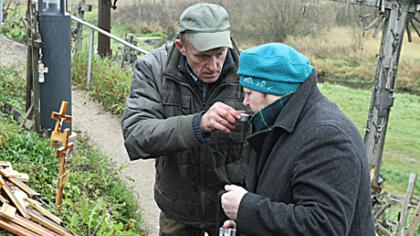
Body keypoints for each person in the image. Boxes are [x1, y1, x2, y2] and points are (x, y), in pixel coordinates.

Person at [121, 3, 250, 236]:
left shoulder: (250, 72)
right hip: (177, 209)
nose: (213, 66)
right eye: (202, 56)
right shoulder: (153, 68)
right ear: (181, 46)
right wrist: (197, 125)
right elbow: (136, 134)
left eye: (220, 53)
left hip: (233, 211)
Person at [220, 43, 375, 236]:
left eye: (249, 93)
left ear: (271, 91)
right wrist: (247, 224)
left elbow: (325, 227)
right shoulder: (286, 124)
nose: (245, 102)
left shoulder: (327, 136)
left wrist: (246, 209)